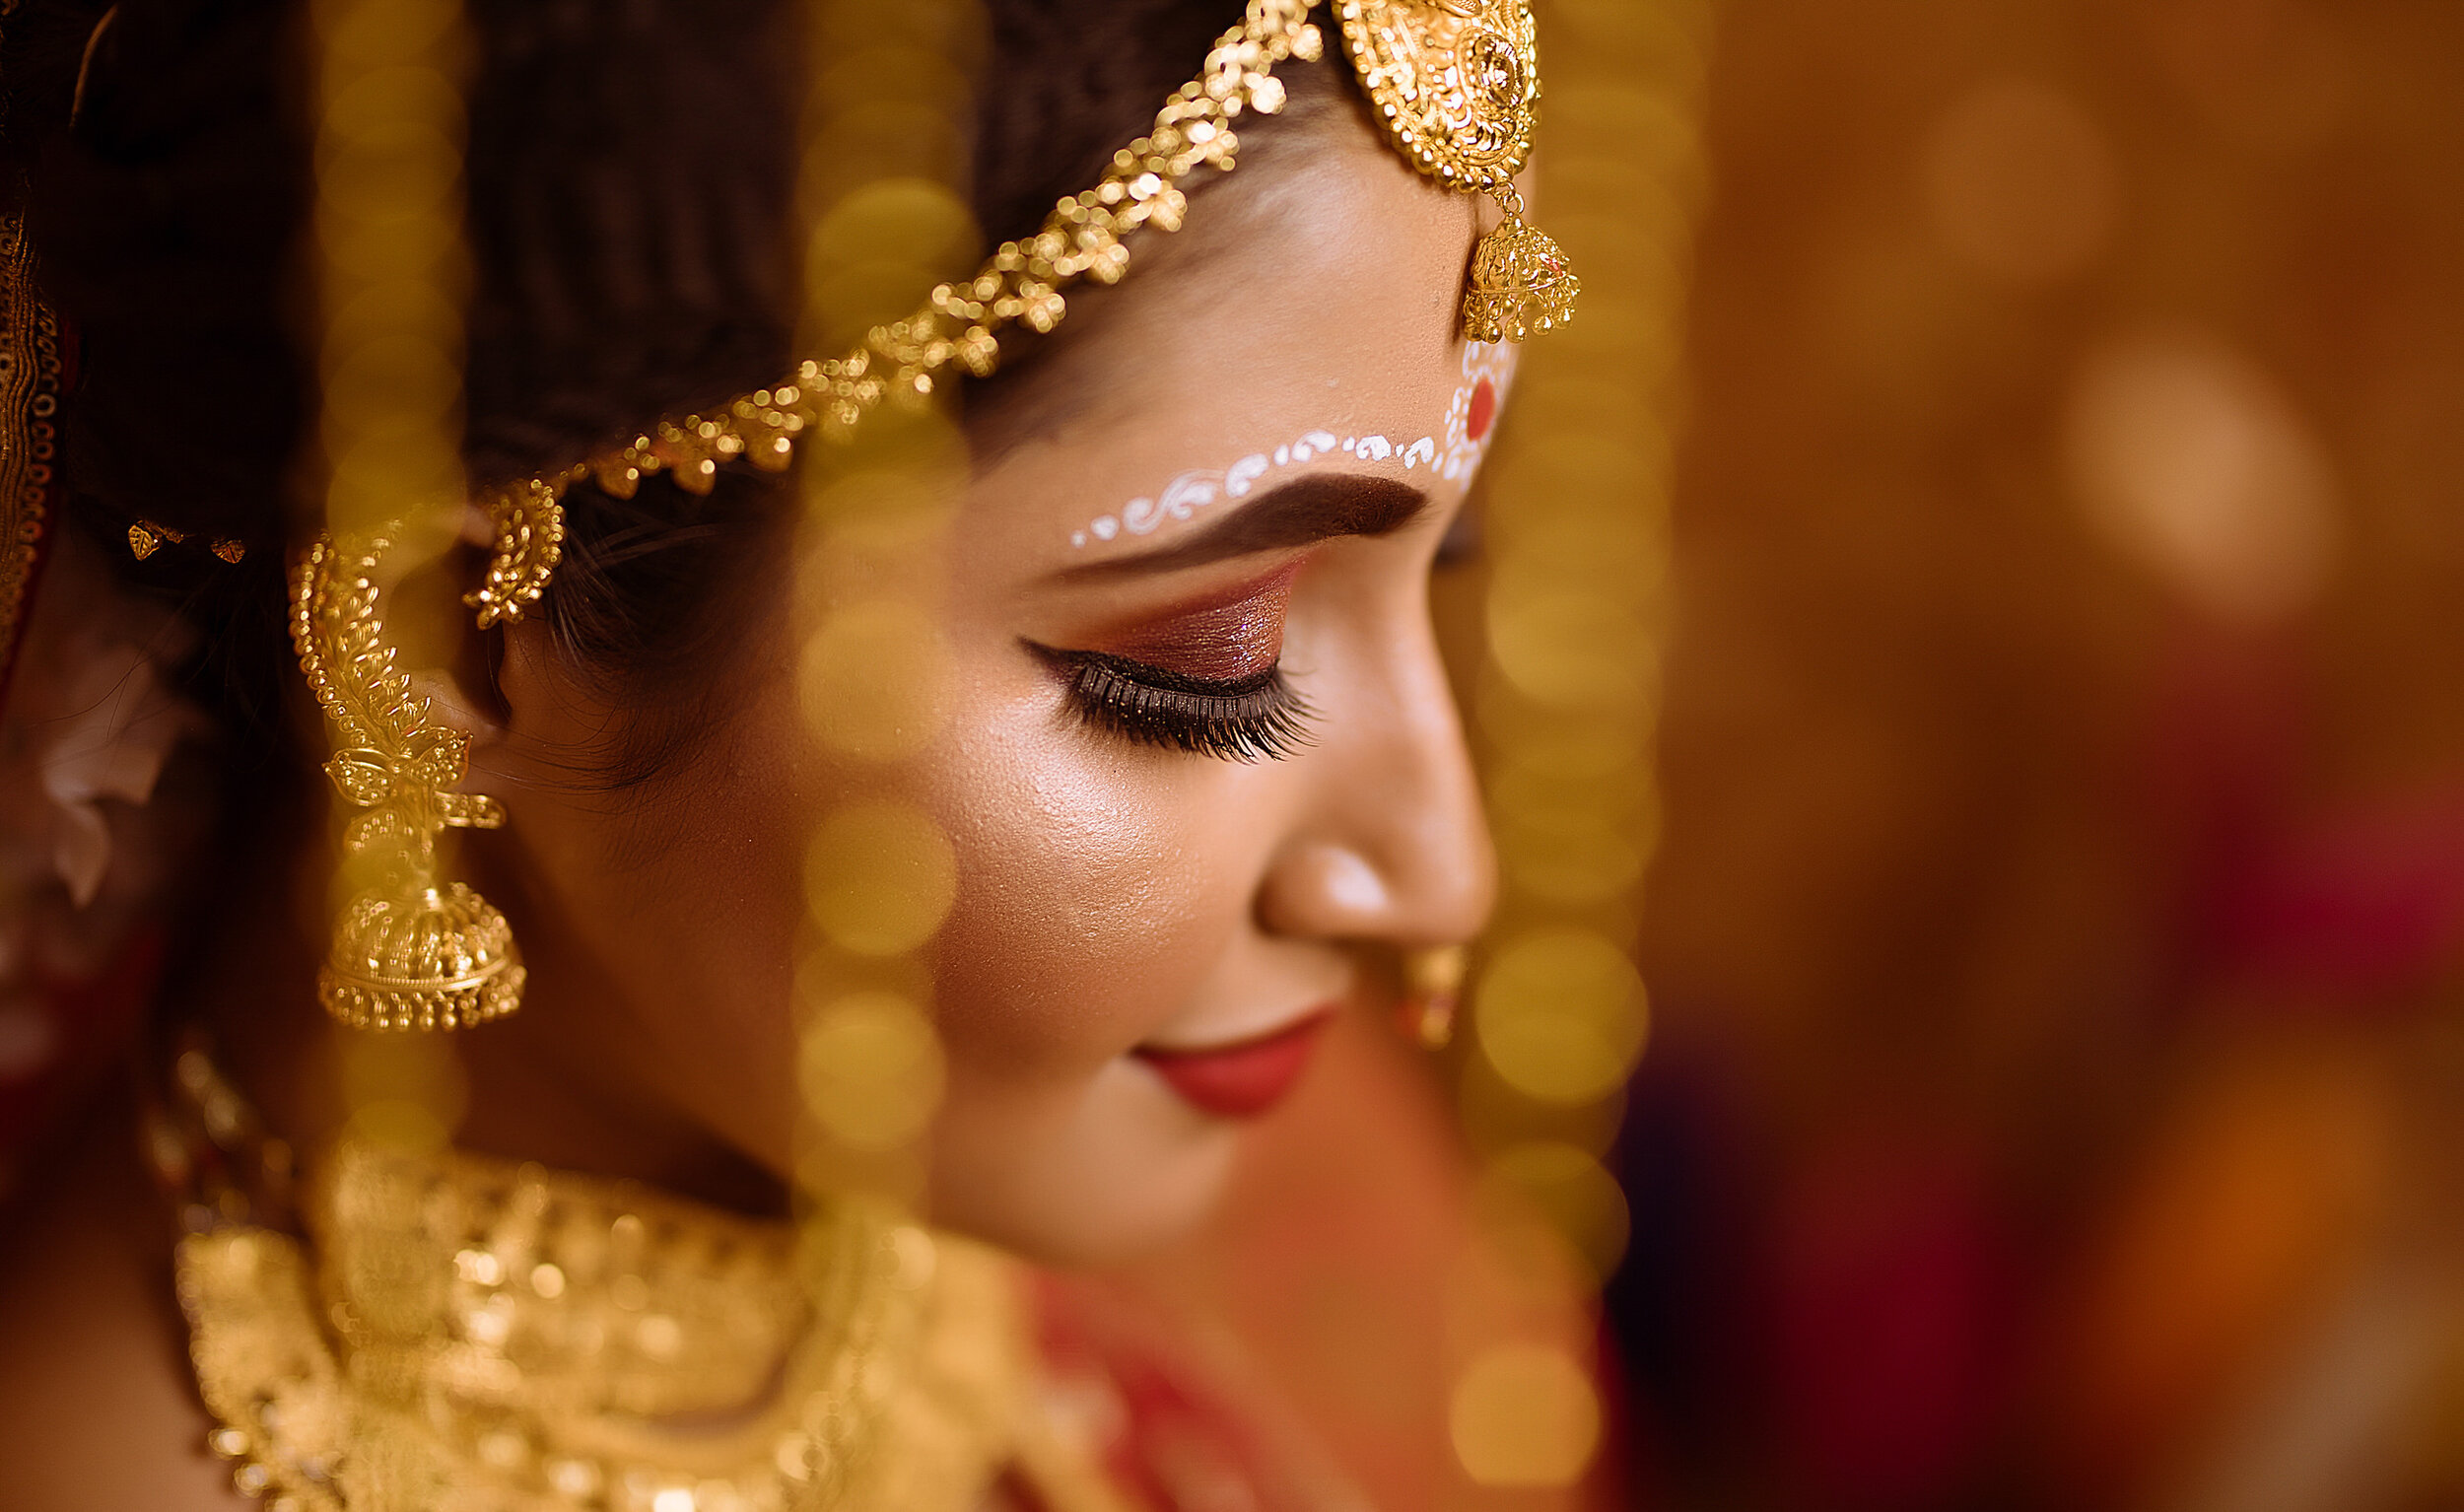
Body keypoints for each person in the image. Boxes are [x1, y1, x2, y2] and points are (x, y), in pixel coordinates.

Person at [0, 0, 1598, 1506]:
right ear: (456, 642)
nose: (1437, 873)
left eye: (1439, 575)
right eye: (1203, 670)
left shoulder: (1173, 1150)